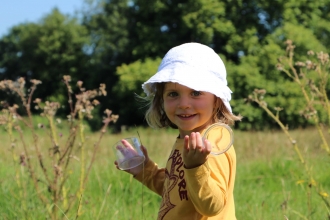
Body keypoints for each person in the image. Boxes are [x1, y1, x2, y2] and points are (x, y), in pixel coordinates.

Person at [114, 42, 242, 219]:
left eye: (196, 93)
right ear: (161, 100)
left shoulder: (213, 142)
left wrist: (196, 167)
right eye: (173, 94)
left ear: (217, 99)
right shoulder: (187, 139)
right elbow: (175, 192)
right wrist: (145, 170)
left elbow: (212, 206)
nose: (184, 104)